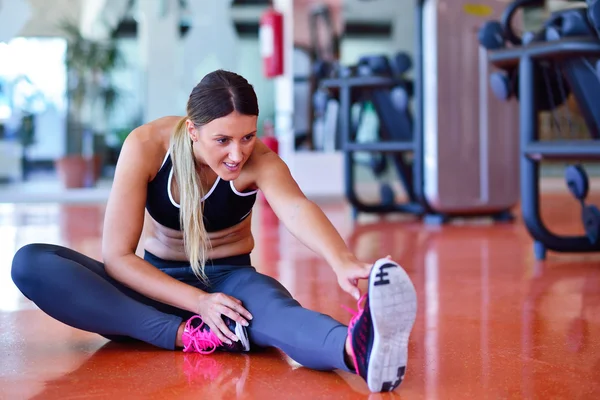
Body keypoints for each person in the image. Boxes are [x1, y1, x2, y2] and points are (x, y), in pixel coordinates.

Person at [11, 69, 417, 393]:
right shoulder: (147, 147)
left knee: (279, 314)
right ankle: (186, 334)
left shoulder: (258, 160)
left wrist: (341, 260)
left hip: (230, 282)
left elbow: (296, 208)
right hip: (152, 287)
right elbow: (117, 257)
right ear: (193, 130)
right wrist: (197, 305)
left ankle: (358, 350)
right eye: (222, 140)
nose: (237, 153)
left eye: (247, 137)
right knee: (32, 263)